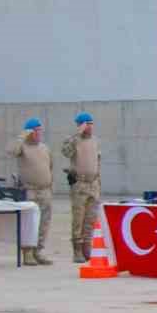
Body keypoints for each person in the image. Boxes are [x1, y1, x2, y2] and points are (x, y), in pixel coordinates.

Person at [12, 118, 56, 265]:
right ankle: (28, 252)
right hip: (29, 191)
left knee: (44, 222)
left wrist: (50, 186)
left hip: (45, 190)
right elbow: (12, 151)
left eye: (39, 130)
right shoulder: (22, 147)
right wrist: (22, 136)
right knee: (29, 222)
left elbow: (50, 166)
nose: (38, 133)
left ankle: (38, 251)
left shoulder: (44, 148)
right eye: (35, 130)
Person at [61, 113, 101, 263]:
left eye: (91, 123)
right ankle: (77, 250)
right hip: (80, 185)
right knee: (78, 219)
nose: (89, 127)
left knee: (90, 219)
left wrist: (99, 183)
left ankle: (87, 248)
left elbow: (98, 161)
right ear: (80, 125)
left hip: (93, 184)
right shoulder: (73, 140)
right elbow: (66, 152)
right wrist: (76, 135)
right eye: (86, 124)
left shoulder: (95, 141)